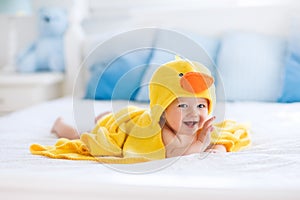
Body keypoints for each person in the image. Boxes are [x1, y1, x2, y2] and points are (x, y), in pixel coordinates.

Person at [51, 58, 230, 159]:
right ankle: (60, 126)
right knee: (86, 137)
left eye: (201, 105)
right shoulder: (166, 133)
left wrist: (219, 148)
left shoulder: (204, 126)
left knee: (102, 119)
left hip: (132, 115)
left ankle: (102, 116)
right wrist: (199, 144)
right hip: (123, 126)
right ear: (162, 111)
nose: (194, 113)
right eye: (182, 105)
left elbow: (222, 139)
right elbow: (175, 154)